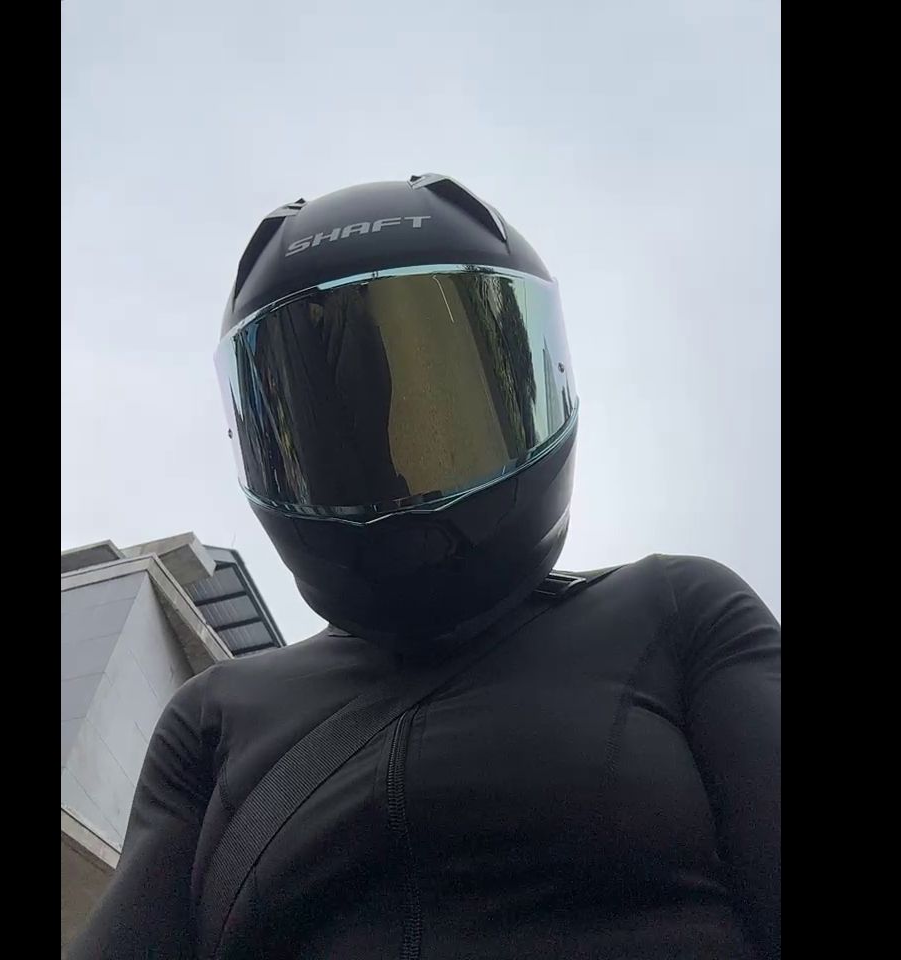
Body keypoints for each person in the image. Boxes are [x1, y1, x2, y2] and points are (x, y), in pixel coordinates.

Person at [68, 174, 780, 960]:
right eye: (340, 431)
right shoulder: (215, 718)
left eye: (444, 414)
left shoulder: (675, 611)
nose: (398, 470)